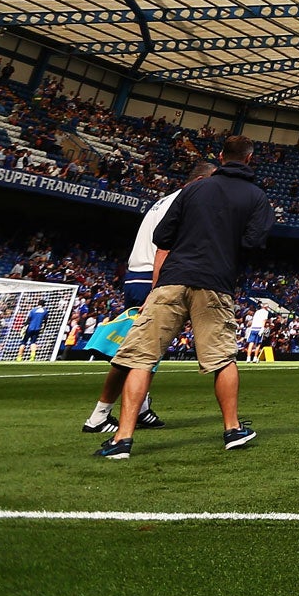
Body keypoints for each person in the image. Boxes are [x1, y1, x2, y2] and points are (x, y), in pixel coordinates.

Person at [94, 136, 273, 459]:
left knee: (141, 358)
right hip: (215, 282)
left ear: (220, 156)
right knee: (222, 359)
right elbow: (254, 242)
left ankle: (122, 438)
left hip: (172, 280)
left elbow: (163, 236)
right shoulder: (256, 196)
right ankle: (232, 429)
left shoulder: (194, 189)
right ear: (249, 159)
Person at [83, 162, 212, 435]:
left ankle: (137, 408)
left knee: (145, 350)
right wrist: (158, 287)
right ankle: (99, 415)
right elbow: (166, 247)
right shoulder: (185, 201)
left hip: (137, 274)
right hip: (154, 277)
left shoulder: (163, 201)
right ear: (200, 180)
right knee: (139, 352)